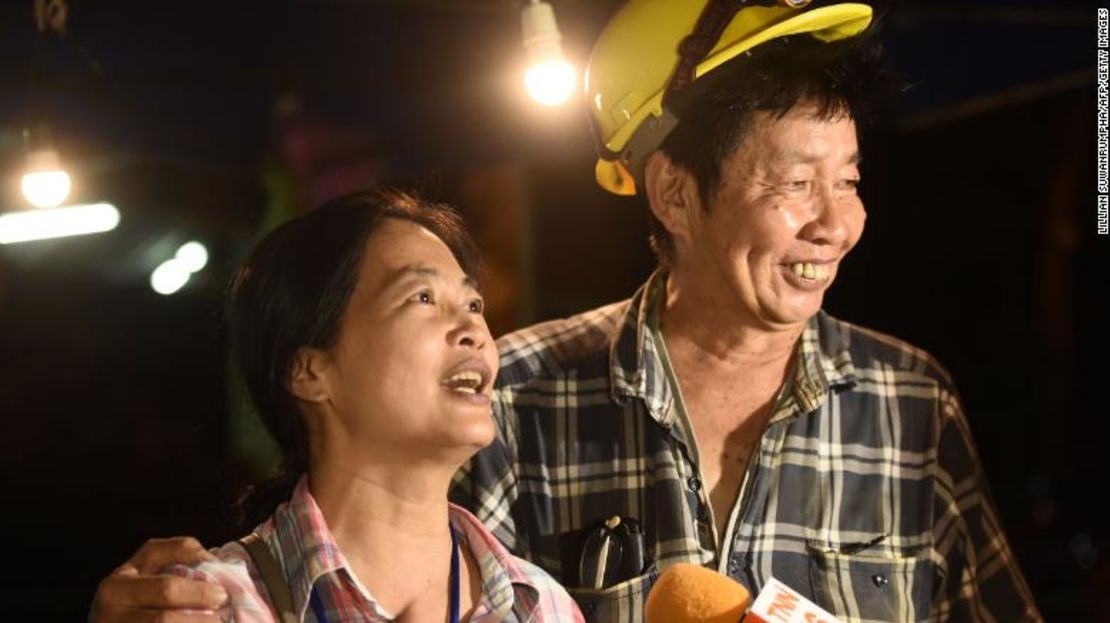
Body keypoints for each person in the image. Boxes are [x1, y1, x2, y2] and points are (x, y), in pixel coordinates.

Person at [93, 2, 1042, 622]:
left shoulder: (913, 404)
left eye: (849, 180)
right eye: (797, 183)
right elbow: (372, 558)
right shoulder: (516, 394)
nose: (838, 221)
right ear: (672, 191)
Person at [118, 190, 583, 622]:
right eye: (422, 297)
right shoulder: (211, 605)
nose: (473, 329)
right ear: (310, 371)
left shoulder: (544, 607)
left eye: (474, 304)